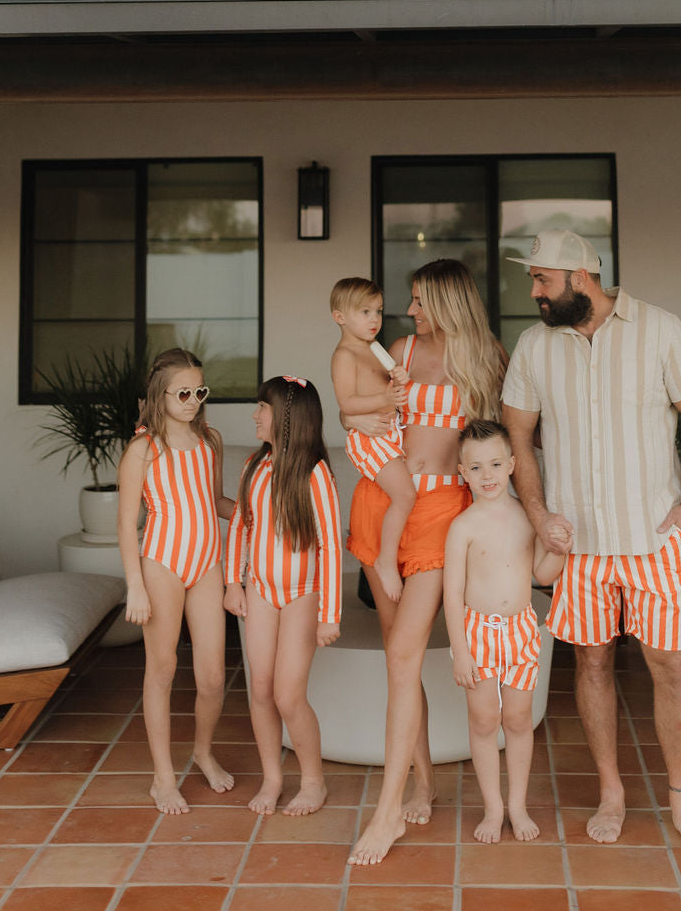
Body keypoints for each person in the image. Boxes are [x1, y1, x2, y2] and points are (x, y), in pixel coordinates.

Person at [501, 229, 681, 854]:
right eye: (533, 279)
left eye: (543, 279)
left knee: (670, 664)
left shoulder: (660, 328)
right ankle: (612, 793)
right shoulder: (534, 345)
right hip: (582, 547)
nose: (534, 291)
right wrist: (539, 513)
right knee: (591, 662)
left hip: (655, 540)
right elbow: (518, 435)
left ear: (582, 278)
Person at [346, 258, 507, 866]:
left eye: (419, 300)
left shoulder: (488, 356)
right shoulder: (400, 351)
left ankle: (385, 815)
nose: (409, 311)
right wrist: (358, 419)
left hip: (444, 511)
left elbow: (510, 438)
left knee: (401, 651)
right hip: (383, 500)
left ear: (447, 301)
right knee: (401, 659)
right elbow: (353, 410)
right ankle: (422, 782)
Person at [117, 347, 237, 814]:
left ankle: (202, 752)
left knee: (211, 677)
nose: (192, 400)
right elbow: (129, 524)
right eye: (182, 392)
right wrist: (135, 585)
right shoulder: (143, 450)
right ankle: (162, 777)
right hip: (163, 563)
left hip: (207, 564)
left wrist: (259, 512)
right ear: (159, 394)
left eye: (199, 391)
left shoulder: (211, 439)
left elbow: (214, 501)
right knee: (162, 670)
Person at [224, 376, 342, 817]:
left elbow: (330, 545)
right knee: (260, 687)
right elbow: (241, 525)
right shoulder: (254, 467)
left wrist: (330, 613)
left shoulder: (315, 474)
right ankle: (272, 778)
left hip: (302, 595)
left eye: (262, 408)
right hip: (260, 591)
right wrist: (232, 582)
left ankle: (314, 781)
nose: (255, 415)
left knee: (288, 694)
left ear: (287, 418)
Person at [444, 419, 567, 844]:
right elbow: (451, 595)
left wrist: (561, 552)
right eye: (476, 468)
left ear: (513, 464)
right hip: (477, 633)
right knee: (483, 720)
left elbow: (541, 575)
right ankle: (493, 807)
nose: (487, 475)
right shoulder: (463, 527)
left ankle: (517, 804)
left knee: (517, 719)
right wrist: (460, 652)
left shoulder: (525, 517)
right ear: (462, 472)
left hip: (520, 630)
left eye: (495, 464)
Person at [330, 276, 415, 603]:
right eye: (364, 312)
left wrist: (399, 378)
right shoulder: (345, 355)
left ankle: (389, 556)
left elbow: (392, 388)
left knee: (404, 494)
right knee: (405, 495)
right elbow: (347, 403)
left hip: (388, 433)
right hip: (370, 438)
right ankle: (385, 559)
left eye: (378, 311)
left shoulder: (372, 350)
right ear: (340, 317)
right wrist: (386, 397)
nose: (375, 319)